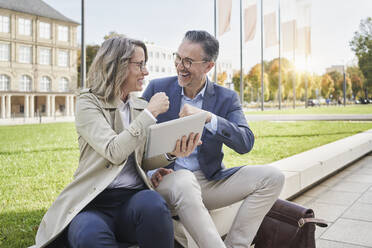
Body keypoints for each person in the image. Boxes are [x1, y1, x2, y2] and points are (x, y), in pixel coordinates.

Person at [31, 36, 194, 248]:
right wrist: (150, 112)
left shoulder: (139, 106)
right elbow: (114, 151)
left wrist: (171, 154)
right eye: (140, 64)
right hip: (93, 202)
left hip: (133, 198)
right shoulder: (88, 102)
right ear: (117, 65)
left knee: (154, 206)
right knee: (88, 236)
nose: (145, 71)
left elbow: (140, 158)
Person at [142, 30, 285, 248]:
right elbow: (137, 138)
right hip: (168, 180)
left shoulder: (227, 98)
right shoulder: (156, 88)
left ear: (208, 66)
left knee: (273, 177)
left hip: (209, 181)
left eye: (188, 61)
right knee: (184, 181)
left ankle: (237, 245)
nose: (180, 66)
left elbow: (245, 142)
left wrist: (208, 118)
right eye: (178, 58)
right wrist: (152, 172)